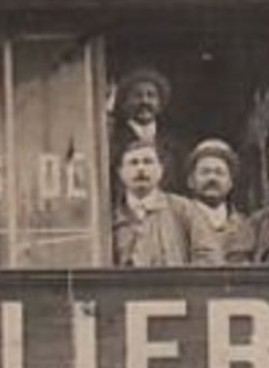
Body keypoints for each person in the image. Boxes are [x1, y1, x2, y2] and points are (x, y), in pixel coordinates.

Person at [112, 140, 220, 268]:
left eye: (148, 162)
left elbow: (209, 258)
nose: (141, 168)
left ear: (160, 170)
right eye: (133, 163)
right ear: (120, 172)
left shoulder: (184, 210)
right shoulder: (110, 216)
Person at [109, 66, 187, 193]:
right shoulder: (113, 140)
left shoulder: (174, 146)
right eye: (137, 95)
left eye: (151, 95)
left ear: (160, 103)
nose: (145, 101)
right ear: (125, 102)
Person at [184, 138, 254, 264]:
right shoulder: (178, 221)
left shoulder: (246, 225)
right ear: (191, 181)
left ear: (230, 182)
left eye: (219, 173)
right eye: (205, 172)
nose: (212, 178)